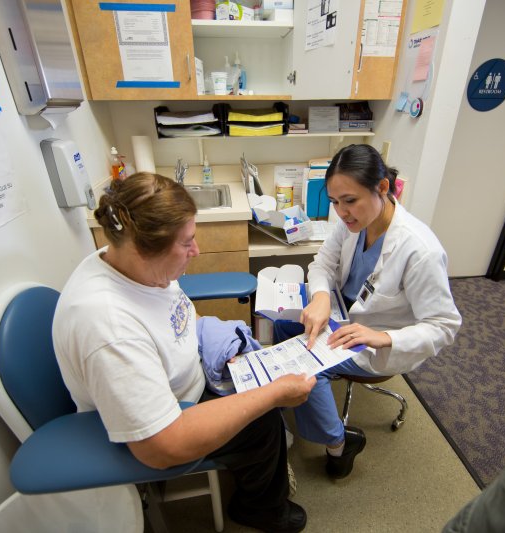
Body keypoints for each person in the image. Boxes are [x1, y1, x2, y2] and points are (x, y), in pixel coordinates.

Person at [52, 172, 316, 533]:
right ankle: (261, 511)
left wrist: (223, 353)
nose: (197, 251)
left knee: (265, 393)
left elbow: (172, 318)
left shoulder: (133, 261)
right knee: (266, 420)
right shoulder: (107, 324)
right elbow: (161, 447)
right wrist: (271, 394)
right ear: (142, 247)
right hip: (170, 417)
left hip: (187, 373)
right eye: (187, 243)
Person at [275, 144, 462, 479]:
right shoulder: (353, 224)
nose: (342, 212)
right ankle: (304, 405)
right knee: (282, 326)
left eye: (349, 200)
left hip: (375, 341)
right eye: (334, 202)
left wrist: (380, 336)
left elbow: (444, 325)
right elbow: (322, 264)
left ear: (383, 188)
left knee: (307, 367)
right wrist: (319, 297)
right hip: (340, 314)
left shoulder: (419, 249)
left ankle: (338, 443)